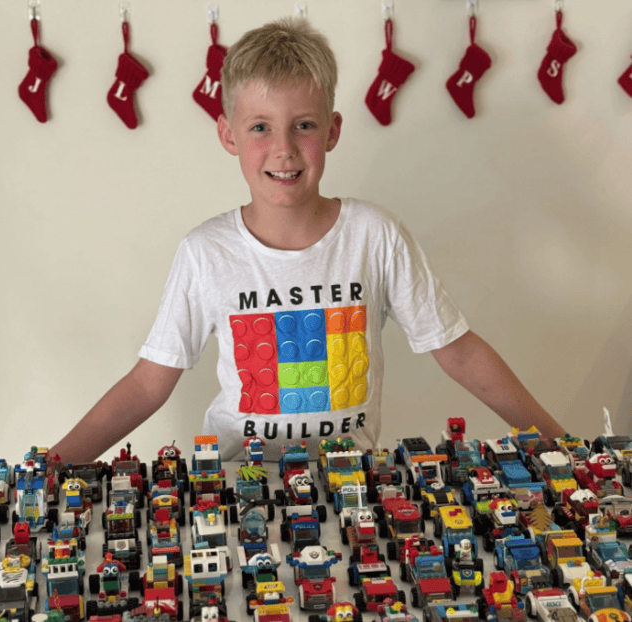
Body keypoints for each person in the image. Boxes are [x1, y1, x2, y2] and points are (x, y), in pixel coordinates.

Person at [51, 18, 566, 464]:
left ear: (332, 131)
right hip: (237, 479)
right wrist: (52, 466)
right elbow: (148, 384)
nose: (284, 149)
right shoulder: (206, 251)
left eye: (303, 126)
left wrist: (561, 442)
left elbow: (458, 352)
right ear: (228, 135)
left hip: (349, 480)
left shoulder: (374, 235)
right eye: (260, 127)